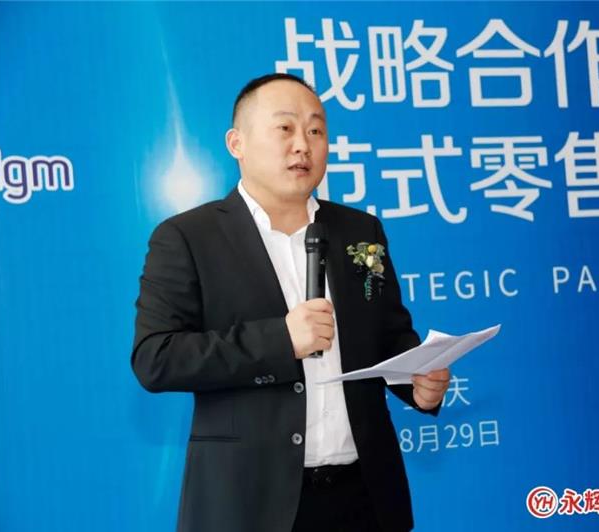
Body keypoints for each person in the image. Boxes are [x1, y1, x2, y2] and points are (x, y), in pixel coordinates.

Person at [132, 72, 450, 532]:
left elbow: (388, 335)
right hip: (249, 504)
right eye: (285, 128)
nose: (303, 144)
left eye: (316, 130)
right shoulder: (187, 237)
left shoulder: (361, 232)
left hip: (365, 498)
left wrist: (415, 381)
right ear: (237, 143)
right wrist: (281, 339)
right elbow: (156, 358)